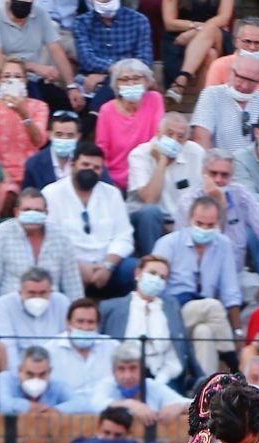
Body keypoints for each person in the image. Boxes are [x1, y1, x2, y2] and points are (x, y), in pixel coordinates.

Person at [154, 195, 240, 376]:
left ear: (218, 223)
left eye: (210, 225)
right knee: (213, 307)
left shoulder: (223, 244)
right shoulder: (168, 244)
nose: (204, 229)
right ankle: (233, 363)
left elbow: (230, 291)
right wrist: (236, 338)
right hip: (172, 311)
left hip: (201, 313)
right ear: (189, 219)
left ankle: (203, 387)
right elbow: (154, 284)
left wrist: (238, 329)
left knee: (205, 332)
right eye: (200, 223)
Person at [42, 142, 137, 299]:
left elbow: (124, 236)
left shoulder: (112, 194)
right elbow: (50, 240)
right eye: (85, 164)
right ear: (73, 165)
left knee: (135, 269)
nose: (90, 171)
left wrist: (108, 266)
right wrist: (77, 266)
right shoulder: (51, 194)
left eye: (96, 168)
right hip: (69, 266)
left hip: (107, 266)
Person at [175, 149, 259, 287]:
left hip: (236, 275)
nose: (218, 180)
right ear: (203, 173)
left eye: (224, 175)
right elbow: (210, 247)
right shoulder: (188, 201)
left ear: (232, 177)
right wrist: (220, 204)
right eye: (213, 173)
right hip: (196, 278)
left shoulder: (240, 193)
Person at [99, 254, 201, 389]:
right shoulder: (111, 307)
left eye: (162, 277)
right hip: (122, 378)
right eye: (152, 273)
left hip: (164, 379)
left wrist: (161, 380)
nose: (156, 279)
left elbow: (177, 349)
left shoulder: (171, 307)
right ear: (138, 273)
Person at [0, 187, 83, 311]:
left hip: (51, 312)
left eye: (37, 210)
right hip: (11, 311)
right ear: (16, 212)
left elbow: (73, 286)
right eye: (27, 210)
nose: (32, 214)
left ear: (46, 213)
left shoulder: (62, 238)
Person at [0, 0, 84, 113]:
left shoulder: (40, 14)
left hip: (32, 78)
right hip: (1, 77)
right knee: (35, 105)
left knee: (67, 106)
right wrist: (35, 67)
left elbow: (56, 49)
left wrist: (71, 86)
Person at [126, 112, 205, 256]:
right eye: (169, 134)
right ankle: (152, 264)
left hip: (183, 220)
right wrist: (162, 161)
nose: (174, 140)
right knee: (151, 212)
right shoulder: (139, 154)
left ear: (187, 140)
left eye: (180, 137)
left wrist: (179, 224)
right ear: (158, 133)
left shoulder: (196, 153)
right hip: (149, 219)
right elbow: (150, 199)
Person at [0, 56, 48, 213]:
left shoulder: (39, 106)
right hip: (0, 172)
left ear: (25, 80)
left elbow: (39, 141)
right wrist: (1, 172)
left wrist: (24, 115)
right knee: (6, 193)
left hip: (30, 171)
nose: (12, 80)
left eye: (18, 77)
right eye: (7, 76)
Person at [95, 58, 165, 192]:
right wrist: (109, 184)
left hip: (147, 175)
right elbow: (102, 150)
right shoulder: (106, 110)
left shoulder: (155, 99)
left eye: (136, 78)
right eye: (124, 80)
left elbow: (158, 136)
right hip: (116, 181)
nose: (131, 83)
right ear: (116, 84)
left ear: (146, 81)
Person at [72, 0, 152, 113]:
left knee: (116, 84)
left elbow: (144, 61)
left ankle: (92, 118)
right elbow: (87, 59)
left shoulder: (139, 20)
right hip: (91, 84)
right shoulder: (81, 22)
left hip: (130, 82)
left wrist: (108, 76)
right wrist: (115, 71)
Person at [90, 340, 191, 423]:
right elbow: (96, 405)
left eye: (133, 368)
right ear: (113, 371)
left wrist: (181, 407)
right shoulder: (107, 384)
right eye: (121, 369)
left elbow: (197, 404)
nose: (127, 376)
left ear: (142, 370)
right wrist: (130, 405)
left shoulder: (151, 386)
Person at [191, 54, 259, 153]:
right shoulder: (212, 95)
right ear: (232, 73)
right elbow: (201, 139)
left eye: (252, 81)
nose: (245, 86)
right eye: (241, 78)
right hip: (221, 164)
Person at [0, 266, 70, 370]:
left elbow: (65, 344)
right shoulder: (4, 304)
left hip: (55, 370)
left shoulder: (62, 302)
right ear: (20, 292)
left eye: (43, 293)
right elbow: (7, 347)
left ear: (51, 292)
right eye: (31, 293)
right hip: (19, 371)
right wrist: (20, 376)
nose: (37, 298)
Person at [161, 0, 234, 102]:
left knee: (211, 30)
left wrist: (197, 31)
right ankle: (203, 104)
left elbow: (224, 18)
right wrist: (195, 27)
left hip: (217, 38)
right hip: (181, 38)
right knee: (210, 54)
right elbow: (169, 23)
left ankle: (182, 78)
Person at [47, 297, 118, 401]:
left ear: (98, 325)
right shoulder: (50, 350)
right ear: (68, 323)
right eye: (80, 321)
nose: (85, 327)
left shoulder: (113, 347)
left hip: (106, 411)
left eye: (90, 322)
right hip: (65, 411)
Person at [204, 17, 259, 106]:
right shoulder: (219, 66)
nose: (252, 47)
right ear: (236, 41)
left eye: (258, 43)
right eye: (247, 41)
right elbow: (210, 104)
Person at [0, 344, 86, 414]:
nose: (36, 379)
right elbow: (4, 404)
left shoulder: (57, 386)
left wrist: (55, 410)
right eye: (30, 374)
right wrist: (29, 407)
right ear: (20, 370)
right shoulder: (5, 379)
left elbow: (83, 405)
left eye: (42, 374)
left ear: (50, 371)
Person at [67, 405, 168, 443]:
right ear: (98, 429)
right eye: (106, 433)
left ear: (128, 434)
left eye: (118, 435)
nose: (111, 439)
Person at [22, 110, 84, 189]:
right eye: (59, 134)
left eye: (70, 135)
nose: (64, 139)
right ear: (49, 134)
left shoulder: (88, 162)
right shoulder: (34, 164)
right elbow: (28, 197)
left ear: (78, 137)